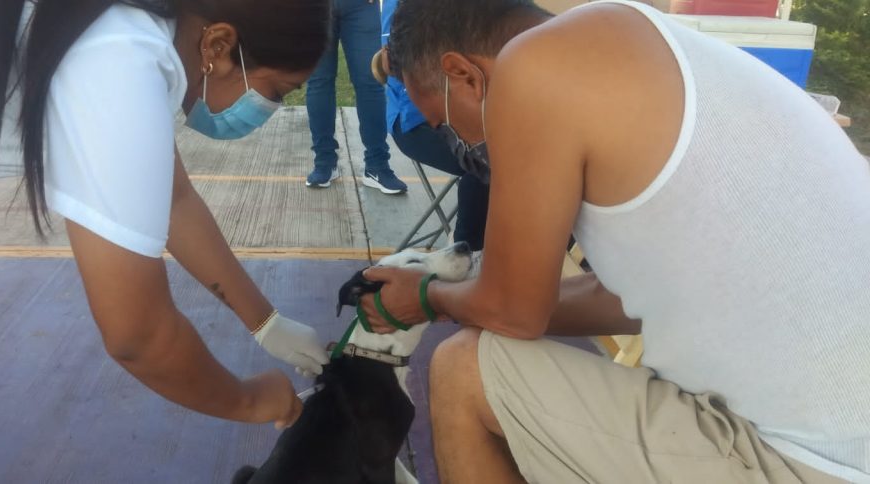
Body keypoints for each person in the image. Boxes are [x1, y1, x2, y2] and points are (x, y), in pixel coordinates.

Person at [361, 0, 870, 483]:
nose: (457, 141)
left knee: (461, 370)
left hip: (808, 460)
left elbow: (515, 312)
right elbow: (619, 301)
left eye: (446, 123)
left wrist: (426, 297)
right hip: (846, 437)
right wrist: (470, 298)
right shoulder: (629, 34)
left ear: (464, 75)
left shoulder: (531, 68)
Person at [0, 0, 332, 481]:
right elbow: (138, 337)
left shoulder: (134, 32)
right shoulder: (118, 62)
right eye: (278, 90)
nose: (270, 107)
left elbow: (174, 199)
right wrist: (245, 399)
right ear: (219, 44)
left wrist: (266, 322)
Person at [376, 0, 492, 250]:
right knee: (486, 165)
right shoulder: (403, 7)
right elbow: (394, 62)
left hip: (471, 114)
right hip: (416, 121)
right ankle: (465, 254)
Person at [303, 0, 408, 194]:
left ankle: (377, 166)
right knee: (319, 83)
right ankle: (324, 162)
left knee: (371, 82)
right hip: (315, 7)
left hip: (361, 6)